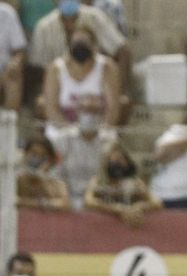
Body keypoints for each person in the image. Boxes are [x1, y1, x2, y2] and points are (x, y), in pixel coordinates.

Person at [40, 21, 117, 202]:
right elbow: (51, 108)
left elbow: (113, 108)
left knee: (109, 144)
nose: (80, 46)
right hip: (64, 129)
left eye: (85, 42)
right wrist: (73, 132)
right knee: (55, 142)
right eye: (76, 42)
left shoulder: (107, 67)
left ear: (94, 45)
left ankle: (101, 192)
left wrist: (98, 130)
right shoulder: (55, 68)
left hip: (97, 129)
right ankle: (59, 192)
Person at [28, 0, 127, 88]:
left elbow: (123, 51)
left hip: (97, 89)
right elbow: (37, 68)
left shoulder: (95, 18)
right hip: (58, 90)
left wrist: (119, 90)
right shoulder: (43, 28)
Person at [83, 140, 157, 226]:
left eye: (120, 159)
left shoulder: (136, 182)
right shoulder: (97, 181)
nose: (117, 164)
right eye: (112, 160)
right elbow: (88, 201)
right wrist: (117, 208)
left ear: (127, 162)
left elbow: (156, 202)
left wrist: (139, 206)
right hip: (104, 226)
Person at [16, 134, 69, 209]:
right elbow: (12, 200)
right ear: (25, 154)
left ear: (50, 160)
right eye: (34, 154)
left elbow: (64, 204)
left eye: (43, 156)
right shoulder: (15, 177)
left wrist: (42, 179)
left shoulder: (56, 179)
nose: (37, 159)